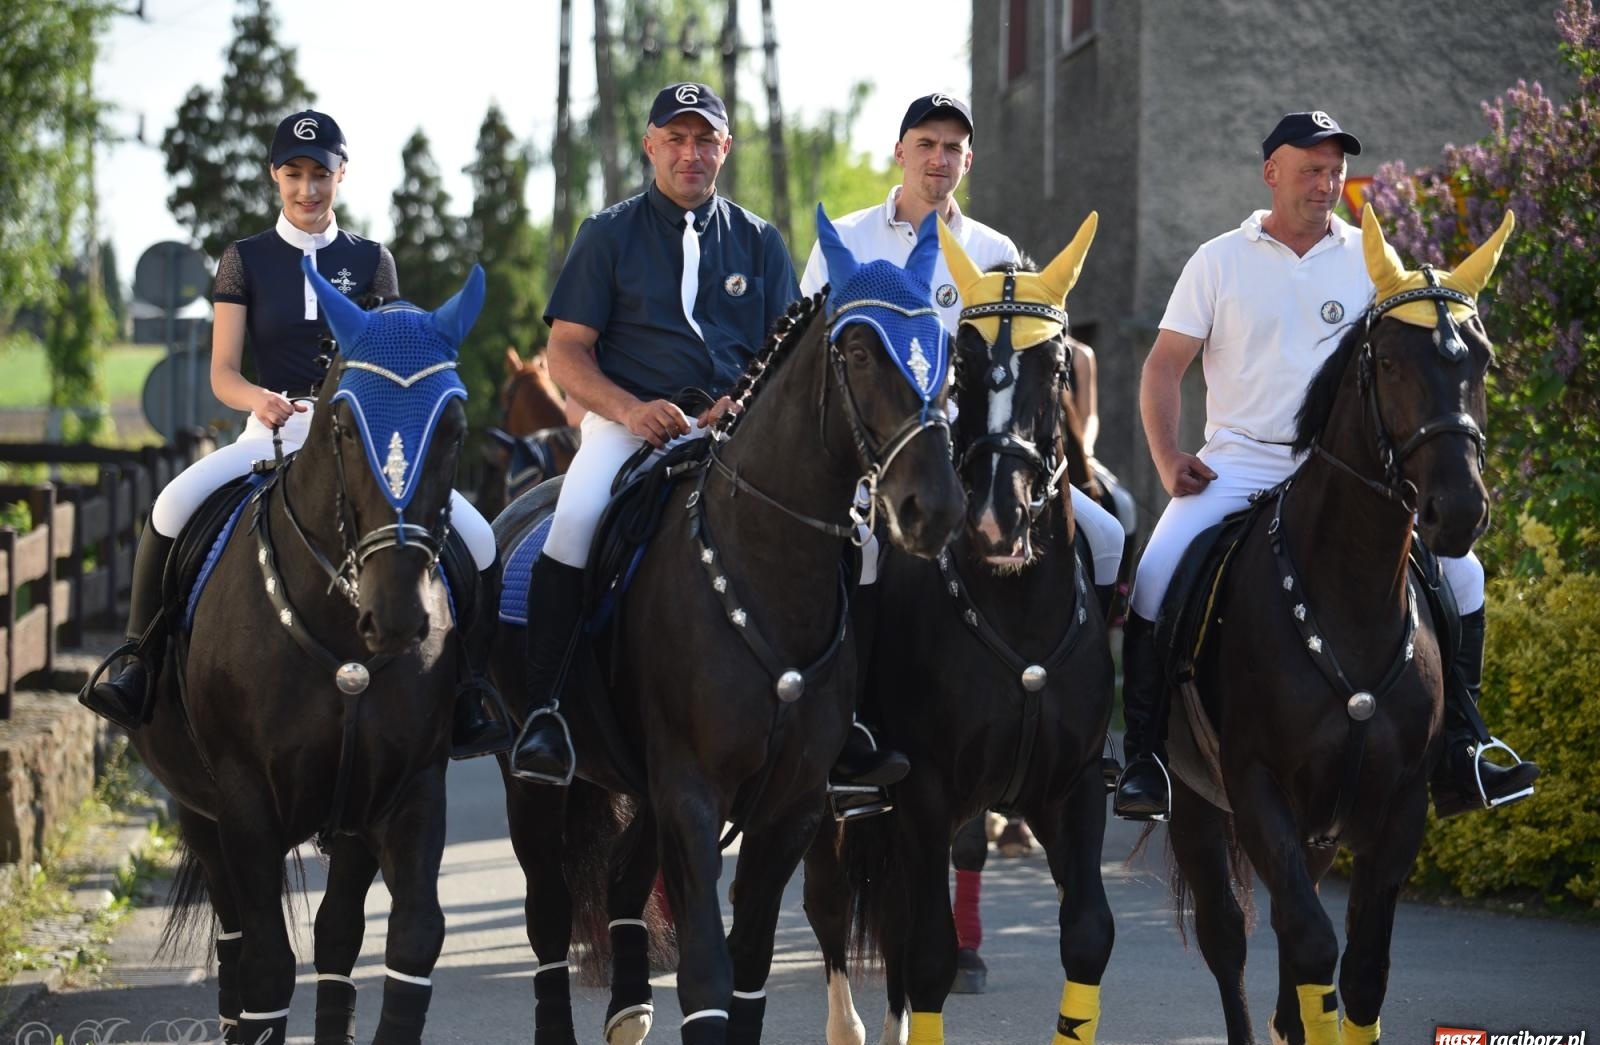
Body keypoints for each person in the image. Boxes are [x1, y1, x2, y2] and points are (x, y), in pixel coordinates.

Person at [1112, 110, 1539, 822]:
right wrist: (1168, 458)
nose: (1326, 181)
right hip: (1239, 466)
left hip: (1347, 477)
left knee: (1464, 574)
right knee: (1154, 579)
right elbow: (1163, 368)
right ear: (1271, 172)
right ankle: (1146, 758)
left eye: (1335, 168)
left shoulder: (1373, 260)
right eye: (1311, 168)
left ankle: (1463, 746)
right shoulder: (1217, 260)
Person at [82, 109, 507, 759]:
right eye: (294, 174)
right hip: (272, 432)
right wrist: (262, 400)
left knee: (478, 543)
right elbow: (223, 373)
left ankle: (470, 689)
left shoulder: (372, 260)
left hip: (360, 436)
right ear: (275, 176)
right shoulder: (244, 259)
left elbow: (390, 358)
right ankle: (141, 663)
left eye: (321, 174)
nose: (308, 189)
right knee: (169, 509)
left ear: (342, 175)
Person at [800, 92, 1128, 793]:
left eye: (953, 149)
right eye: (927, 143)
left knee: (1106, 535)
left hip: (978, 463)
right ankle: (854, 725)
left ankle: (1092, 722)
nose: (939, 159)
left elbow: (1024, 368)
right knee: (855, 552)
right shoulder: (850, 241)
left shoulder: (994, 252)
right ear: (901, 151)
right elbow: (810, 357)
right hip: (875, 462)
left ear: (967, 161)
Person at [509, 82, 806, 784]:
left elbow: (791, 353)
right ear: (650, 147)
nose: (690, 153)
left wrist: (744, 401)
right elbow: (566, 353)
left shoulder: (761, 243)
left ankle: (845, 719)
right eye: (675, 139)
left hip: (738, 429)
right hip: (630, 427)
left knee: (838, 525)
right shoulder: (605, 234)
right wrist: (629, 409)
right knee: (574, 518)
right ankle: (546, 713)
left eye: (705, 140)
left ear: (725, 149)